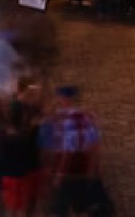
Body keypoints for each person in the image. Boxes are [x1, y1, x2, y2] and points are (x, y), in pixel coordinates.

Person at [41, 85, 103, 216]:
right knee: (80, 208)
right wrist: (94, 170)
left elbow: (68, 151)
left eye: (59, 98)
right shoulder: (87, 117)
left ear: (64, 98)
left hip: (67, 171)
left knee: (60, 210)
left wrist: (59, 174)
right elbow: (95, 146)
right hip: (83, 169)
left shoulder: (69, 120)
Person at [0, 85, 45, 217]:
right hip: (22, 172)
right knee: (21, 207)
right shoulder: (23, 133)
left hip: (16, 172)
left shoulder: (6, 132)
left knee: (15, 207)